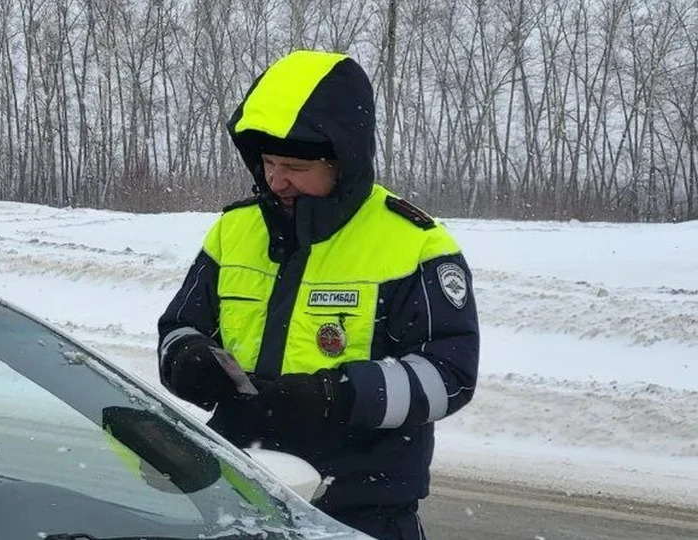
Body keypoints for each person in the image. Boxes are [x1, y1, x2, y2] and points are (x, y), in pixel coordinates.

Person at [157, 50, 479, 540]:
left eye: (294, 166)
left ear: (344, 161)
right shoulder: (234, 230)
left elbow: (449, 375)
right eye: (266, 161)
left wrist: (339, 396)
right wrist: (188, 359)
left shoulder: (415, 243)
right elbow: (178, 328)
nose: (275, 179)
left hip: (358, 506)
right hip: (237, 493)